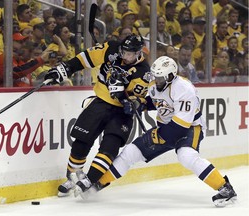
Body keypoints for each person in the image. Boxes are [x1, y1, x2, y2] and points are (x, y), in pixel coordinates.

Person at [81, 56, 237, 207]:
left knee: (186, 155)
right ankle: (97, 185)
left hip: (189, 128)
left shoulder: (184, 89)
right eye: (155, 77)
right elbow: (156, 101)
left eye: (160, 77)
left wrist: (158, 135)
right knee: (130, 152)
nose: (157, 80)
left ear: (171, 76)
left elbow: (180, 127)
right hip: (166, 127)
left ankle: (225, 188)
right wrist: (140, 103)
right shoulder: (156, 84)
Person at [44, 34, 151, 197]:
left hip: (121, 114)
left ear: (138, 53)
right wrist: (66, 68)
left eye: (130, 54)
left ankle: (90, 180)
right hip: (100, 102)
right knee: (81, 142)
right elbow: (87, 58)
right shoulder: (112, 49)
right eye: (124, 52)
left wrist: (123, 96)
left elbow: (136, 104)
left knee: (109, 148)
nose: (125, 56)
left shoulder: (143, 72)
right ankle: (72, 177)